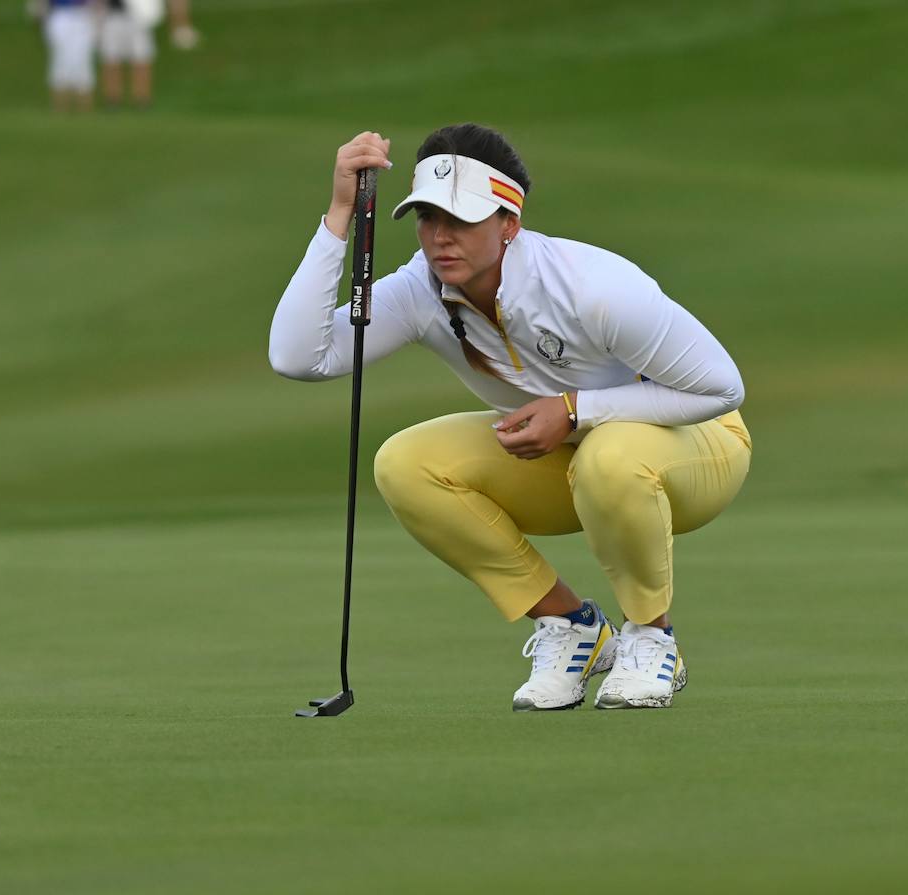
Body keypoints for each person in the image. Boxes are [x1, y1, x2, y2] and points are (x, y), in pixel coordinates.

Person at [270, 125, 751, 711]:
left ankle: (651, 636)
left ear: (509, 224)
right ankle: (572, 626)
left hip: (697, 447)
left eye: (463, 220)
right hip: (565, 463)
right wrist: (342, 210)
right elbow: (298, 357)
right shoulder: (418, 292)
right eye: (427, 218)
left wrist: (576, 411)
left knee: (612, 454)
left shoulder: (594, 287)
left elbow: (721, 387)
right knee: (406, 463)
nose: (441, 238)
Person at [43, 0, 97, 114]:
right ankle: (60, 107)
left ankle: (84, 108)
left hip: (84, 14)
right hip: (60, 13)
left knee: (82, 60)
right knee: (60, 59)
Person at [98, 0, 154, 108]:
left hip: (138, 16)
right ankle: (112, 99)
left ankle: (142, 99)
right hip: (112, 16)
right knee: (111, 60)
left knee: (141, 60)